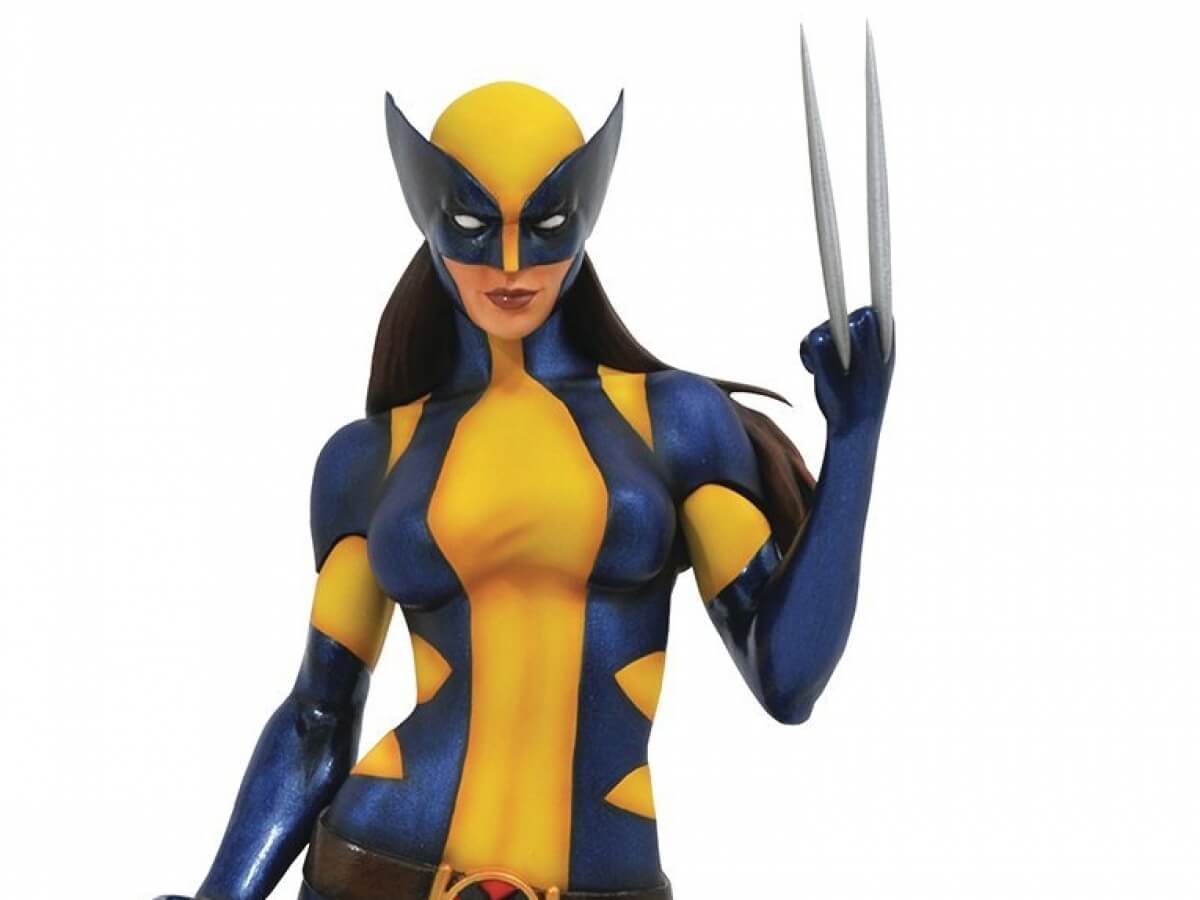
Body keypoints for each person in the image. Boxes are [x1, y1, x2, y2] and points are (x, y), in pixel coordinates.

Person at [157, 70, 894, 900]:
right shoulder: (368, 460)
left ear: (586, 220)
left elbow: (788, 678)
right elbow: (315, 718)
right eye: (473, 226)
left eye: (545, 226)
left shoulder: (675, 424)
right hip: (376, 872)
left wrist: (855, 439)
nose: (511, 264)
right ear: (427, 218)